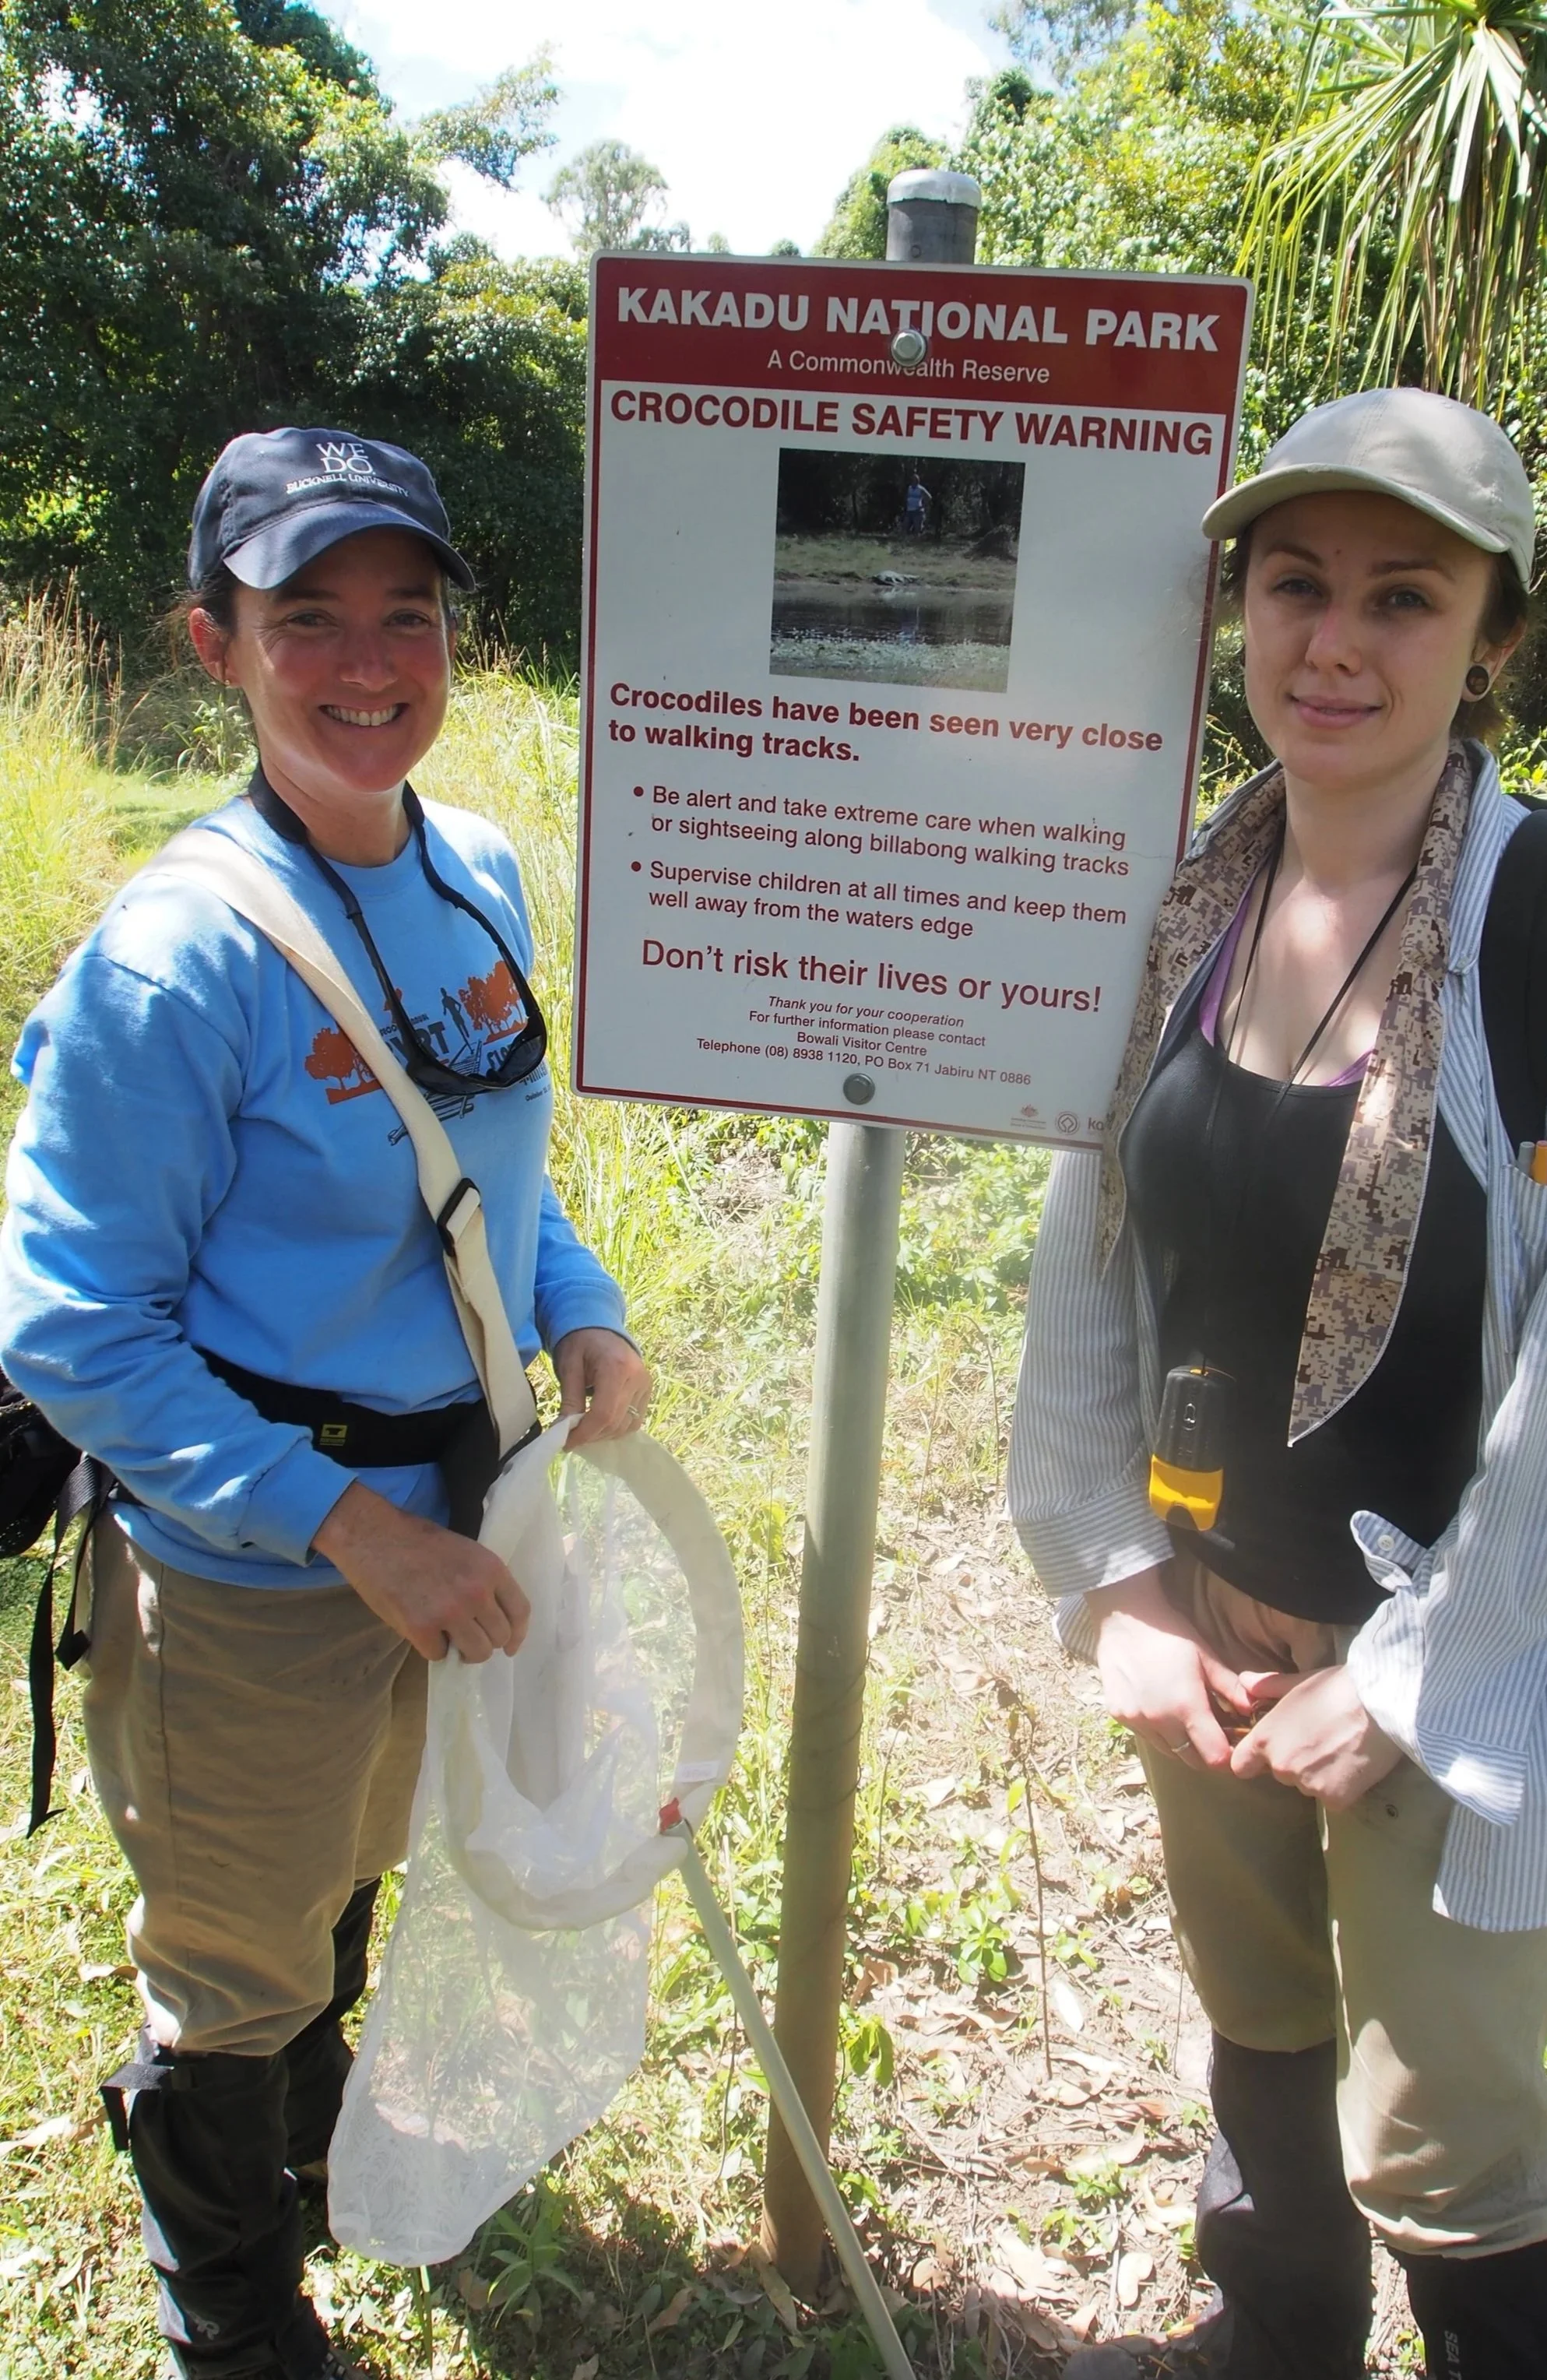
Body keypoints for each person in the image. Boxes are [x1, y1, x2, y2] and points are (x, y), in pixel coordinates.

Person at [1007, 388, 1547, 2380]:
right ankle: (1274, 2345)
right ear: (1235, 606)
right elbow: (1097, 1267)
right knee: (1258, 2024)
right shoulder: (1180, 905)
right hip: (1213, 1621)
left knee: (1451, 2147)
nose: (1336, 642)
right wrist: (1118, 1586)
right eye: (1296, 584)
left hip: (1460, 1655)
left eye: (1405, 599)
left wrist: (1410, 1674)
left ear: (1493, 635)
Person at [0, 427, 652, 2380]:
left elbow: (499, 1176)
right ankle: (236, 2302)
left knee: (362, 1852)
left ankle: (308, 2121)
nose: (370, 662)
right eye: (308, 619)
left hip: (453, 1520)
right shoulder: (174, 963)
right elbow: (73, 1329)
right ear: (215, 644)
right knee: (238, 1945)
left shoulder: (482, 874)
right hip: (257, 1562)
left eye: (408, 614)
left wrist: (585, 1309)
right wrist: (350, 1530)